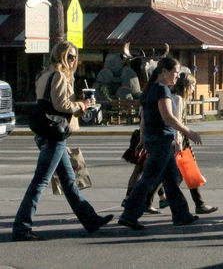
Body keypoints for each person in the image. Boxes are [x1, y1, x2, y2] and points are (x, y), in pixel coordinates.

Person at [12, 41, 113, 241]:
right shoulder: (58, 76)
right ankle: (21, 227)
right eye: (69, 56)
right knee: (40, 182)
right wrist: (83, 104)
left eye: (75, 56)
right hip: (54, 134)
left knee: (69, 182)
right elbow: (61, 105)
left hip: (47, 131)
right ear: (60, 56)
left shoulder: (44, 75)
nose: (73, 60)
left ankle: (90, 220)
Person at [118, 57, 202, 230]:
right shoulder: (162, 89)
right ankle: (129, 215)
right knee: (148, 179)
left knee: (171, 179)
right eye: (175, 72)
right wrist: (189, 132)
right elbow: (168, 117)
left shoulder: (151, 89)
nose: (178, 76)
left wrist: (142, 138)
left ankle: (181, 215)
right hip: (161, 141)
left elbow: (144, 118)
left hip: (154, 139)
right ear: (164, 71)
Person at [171, 72, 218, 214]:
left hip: (180, 139)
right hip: (178, 140)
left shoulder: (178, 98)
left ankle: (199, 203)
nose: (193, 89)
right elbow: (176, 121)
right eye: (192, 85)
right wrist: (179, 140)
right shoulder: (178, 99)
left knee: (182, 173)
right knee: (182, 173)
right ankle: (198, 204)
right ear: (186, 86)